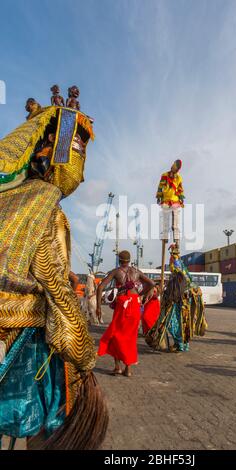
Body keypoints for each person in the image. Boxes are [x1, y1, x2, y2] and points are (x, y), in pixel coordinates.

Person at [0, 94, 108, 450]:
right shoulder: (46, 202)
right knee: (49, 410)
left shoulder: (9, 198)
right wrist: (81, 348)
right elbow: (52, 280)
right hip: (20, 333)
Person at [96, 251, 154, 377]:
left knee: (114, 334)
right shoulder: (136, 271)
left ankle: (117, 367)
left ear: (119, 260)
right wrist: (139, 294)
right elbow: (152, 283)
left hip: (123, 305)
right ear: (129, 260)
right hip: (134, 305)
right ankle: (128, 369)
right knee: (130, 337)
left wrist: (98, 307)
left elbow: (100, 287)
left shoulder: (116, 271)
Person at [146, 245, 207, 352]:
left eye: (172, 256)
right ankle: (183, 344)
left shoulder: (178, 267)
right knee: (183, 322)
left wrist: (169, 292)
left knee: (173, 322)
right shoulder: (181, 267)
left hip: (181, 299)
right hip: (183, 297)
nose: (170, 259)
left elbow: (181, 281)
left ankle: (180, 344)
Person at [156, 160, 185, 249]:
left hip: (175, 201)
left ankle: (177, 240)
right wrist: (159, 196)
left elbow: (180, 189)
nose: (173, 167)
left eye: (176, 167)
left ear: (177, 169)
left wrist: (181, 198)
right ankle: (165, 237)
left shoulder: (179, 178)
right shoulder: (165, 175)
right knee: (165, 221)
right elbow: (160, 187)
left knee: (175, 223)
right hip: (166, 200)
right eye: (173, 165)